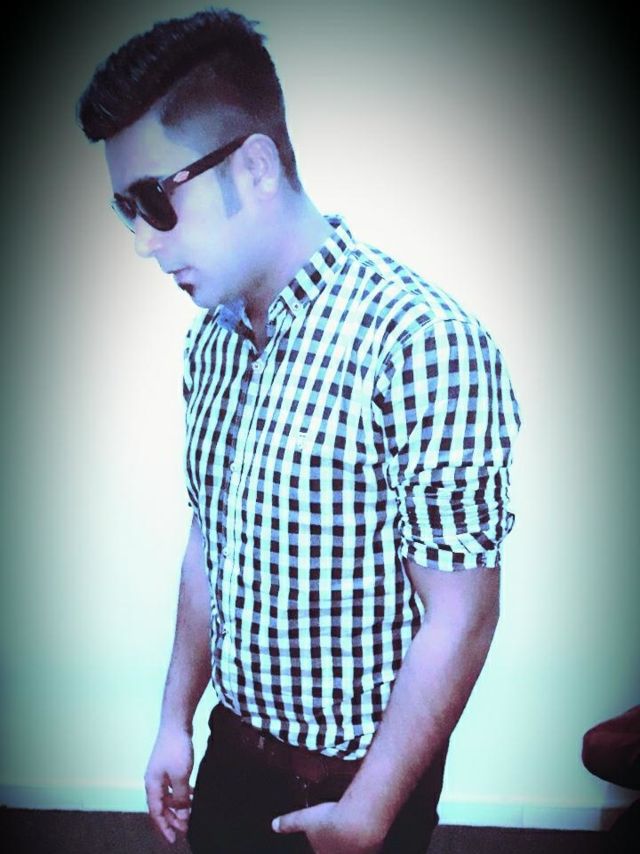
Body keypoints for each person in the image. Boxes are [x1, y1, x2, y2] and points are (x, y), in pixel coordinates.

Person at [77, 8, 521, 853]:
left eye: (155, 200)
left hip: (353, 786)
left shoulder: (420, 342)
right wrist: (174, 719)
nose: (140, 240)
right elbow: (210, 537)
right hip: (230, 755)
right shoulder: (210, 345)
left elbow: (461, 615)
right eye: (123, 207)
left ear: (253, 167)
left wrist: (370, 811)